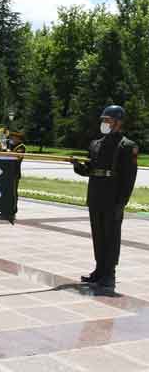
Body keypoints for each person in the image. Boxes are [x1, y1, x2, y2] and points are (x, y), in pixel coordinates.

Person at [73, 105, 138, 292]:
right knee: (98, 235)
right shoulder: (96, 144)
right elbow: (90, 169)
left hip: (113, 197)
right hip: (95, 195)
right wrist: (77, 166)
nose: (104, 123)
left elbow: (129, 178)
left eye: (108, 120)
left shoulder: (127, 146)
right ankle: (99, 270)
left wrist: (121, 202)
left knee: (111, 236)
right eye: (103, 120)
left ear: (118, 122)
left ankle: (109, 274)